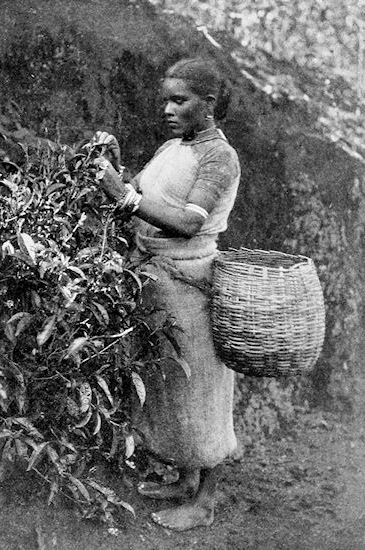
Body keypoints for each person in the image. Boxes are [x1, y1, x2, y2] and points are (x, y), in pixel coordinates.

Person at [92, 58, 241, 531]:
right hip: (157, 278)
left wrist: (126, 196)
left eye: (180, 100)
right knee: (169, 384)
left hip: (191, 279)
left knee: (201, 385)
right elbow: (141, 195)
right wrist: (115, 170)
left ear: (210, 104)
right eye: (166, 100)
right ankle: (183, 479)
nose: (168, 109)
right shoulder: (174, 147)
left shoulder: (219, 157)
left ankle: (206, 499)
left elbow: (186, 222)